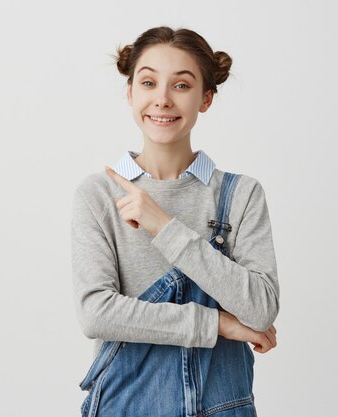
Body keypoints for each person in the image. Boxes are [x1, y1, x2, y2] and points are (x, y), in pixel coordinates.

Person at [71, 26, 280, 417]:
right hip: (125, 407)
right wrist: (217, 323)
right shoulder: (98, 195)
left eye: (181, 86)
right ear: (130, 93)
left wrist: (163, 226)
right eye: (149, 82)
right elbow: (96, 312)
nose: (162, 100)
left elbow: (261, 309)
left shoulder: (240, 195)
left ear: (206, 99)